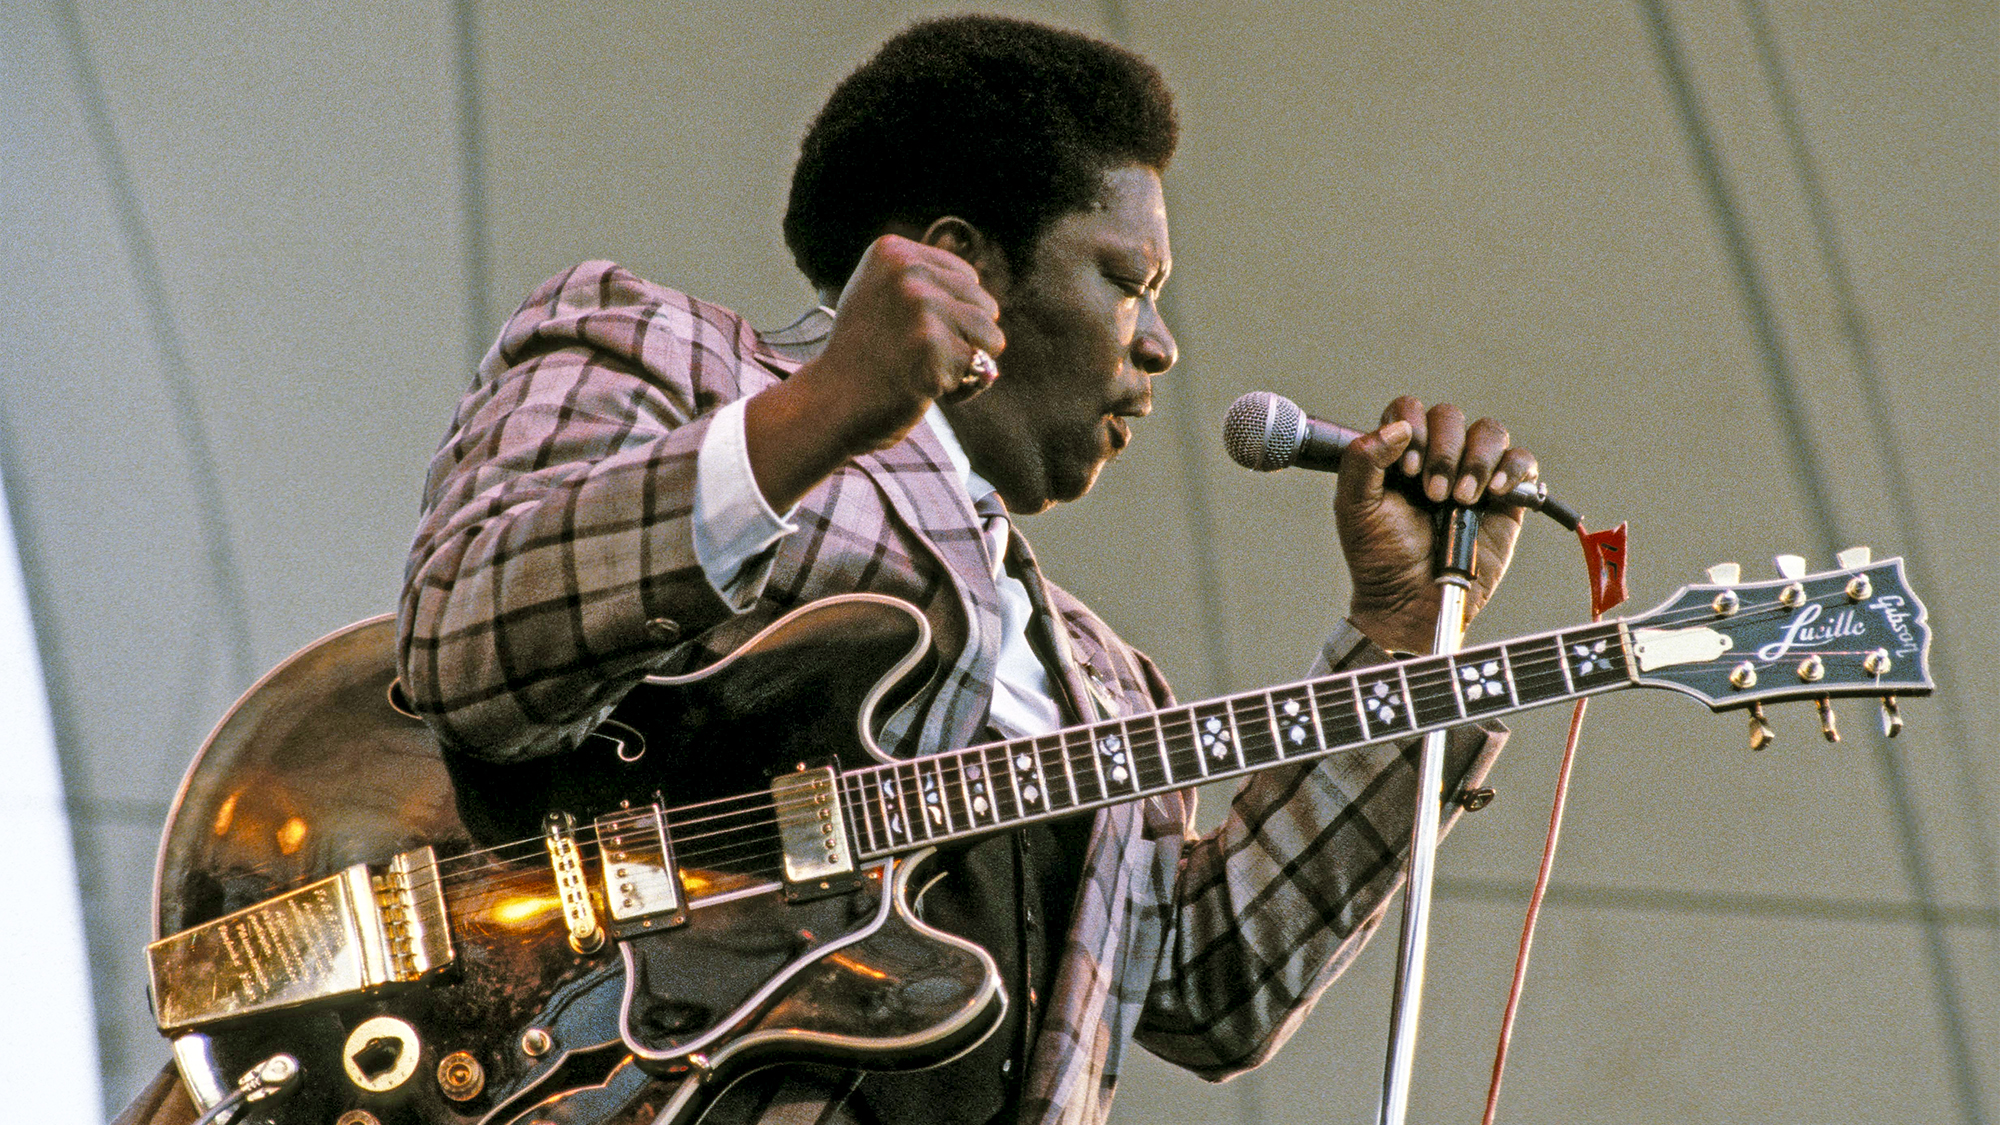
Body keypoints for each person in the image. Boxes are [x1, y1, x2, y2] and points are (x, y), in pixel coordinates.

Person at [120, 13, 1534, 1125]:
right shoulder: (665, 356)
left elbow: (1215, 991)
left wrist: (1404, 632)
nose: (1161, 344)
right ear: (961, 266)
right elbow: (467, 640)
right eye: (1128, 280)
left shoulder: (1105, 685)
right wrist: (820, 412)